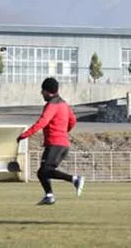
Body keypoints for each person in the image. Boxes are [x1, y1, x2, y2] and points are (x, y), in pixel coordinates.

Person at [17, 77, 84, 205]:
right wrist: (64, 131)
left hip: (55, 144)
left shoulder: (52, 105)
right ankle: (49, 195)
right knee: (42, 173)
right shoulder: (64, 104)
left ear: (47, 91)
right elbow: (73, 120)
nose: (41, 93)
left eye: (42, 91)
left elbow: (42, 122)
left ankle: (75, 179)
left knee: (45, 170)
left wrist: (24, 135)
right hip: (61, 144)